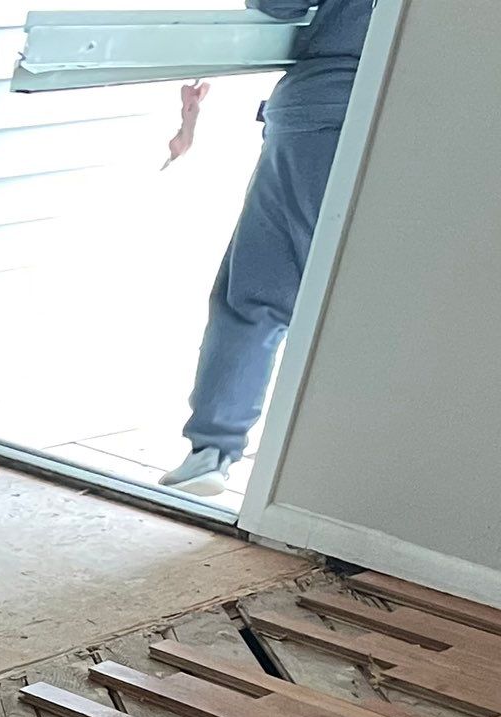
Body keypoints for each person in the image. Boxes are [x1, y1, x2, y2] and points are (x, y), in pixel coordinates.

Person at [160, 0, 373, 494]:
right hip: (432, 115)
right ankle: (344, 484)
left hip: (324, 109)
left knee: (260, 290)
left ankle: (213, 450)